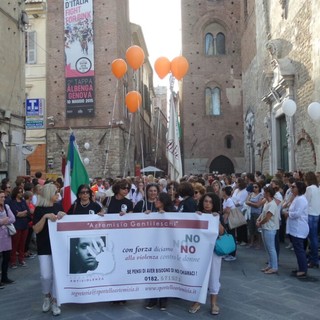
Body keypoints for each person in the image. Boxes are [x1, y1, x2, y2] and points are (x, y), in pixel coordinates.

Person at [32, 183, 66, 316]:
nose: (58, 194)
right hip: (44, 246)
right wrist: (45, 217)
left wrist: (63, 215)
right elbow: (36, 229)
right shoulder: (39, 209)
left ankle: (55, 301)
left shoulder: (58, 206)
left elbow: (64, 224)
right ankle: (46, 295)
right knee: (46, 275)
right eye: (55, 192)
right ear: (48, 194)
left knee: (57, 275)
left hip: (58, 246)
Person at [188, 193, 224, 315]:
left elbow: (222, 232)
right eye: (205, 201)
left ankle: (214, 303)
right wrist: (196, 218)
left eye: (210, 202)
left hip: (214, 251)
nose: (207, 204)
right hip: (199, 251)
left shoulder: (217, 216)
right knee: (199, 276)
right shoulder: (197, 215)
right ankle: (197, 301)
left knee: (214, 276)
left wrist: (216, 220)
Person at [144, 192, 175, 311]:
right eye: (156, 199)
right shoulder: (152, 212)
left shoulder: (172, 213)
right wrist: (146, 215)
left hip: (167, 249)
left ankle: (163, 299)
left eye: (158, 199)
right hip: (153, 248)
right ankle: (152, 299)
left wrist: (166, 216)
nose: (156, 201)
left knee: (164, 273)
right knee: (153, 273)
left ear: (164, 201)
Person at [284, 181, 309, 278]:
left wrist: (288, 214)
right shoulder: (296, 198)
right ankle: (301, 267)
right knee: (298, 250)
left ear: (299, 188)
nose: (291, 188)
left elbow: (297, 213)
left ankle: (303, 269)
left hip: (299, 228)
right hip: (294, 228)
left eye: (293, 187)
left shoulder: (301, 199)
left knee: (299, 250)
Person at [257, 185, 279, 274]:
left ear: (268, 193)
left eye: (264, 192)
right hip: (265, 228)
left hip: (270, 228)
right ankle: (270, 264)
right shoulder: (267, 202)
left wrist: (259, 223)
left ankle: (274, 267)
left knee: (271, 248)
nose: (263, 194)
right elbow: (263, 213)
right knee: (267, 248)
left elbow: (267, 217)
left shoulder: (272, 204)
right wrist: (258, 219)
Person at [9, 186, 30, 268]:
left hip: (24, 225)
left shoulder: (23, 201)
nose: (21, 193)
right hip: (17, 226)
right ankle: (13, 261)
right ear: (16, 193)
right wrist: (21, 213)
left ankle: (21, 260)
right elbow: (15, 214)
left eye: (22, 191)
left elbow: (28, 212)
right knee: (15, 244)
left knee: (22, 244)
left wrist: (21, 213)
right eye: (19, 192)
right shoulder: (12, 202)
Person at [304, 171, 320, 268]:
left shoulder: (309, 188)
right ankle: (313, 257)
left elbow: (306, 202)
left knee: (312, 238)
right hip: (317, 213)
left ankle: (313, 259)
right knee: (314, 237)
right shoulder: (318, 188)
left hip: (310, 214)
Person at [0, 190, 16, 286]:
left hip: (6, 236)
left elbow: (13, 218)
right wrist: (3, 221)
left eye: (3, 197)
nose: (3, 199)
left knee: (6, 257)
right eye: (1, 197)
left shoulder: (6, 206)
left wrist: (3, 221)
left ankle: (4, 277)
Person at [245, 182, 265, 248]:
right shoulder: (251, 194)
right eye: (253, 187)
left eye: (256, 187)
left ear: (259, 188)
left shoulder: (261, 195)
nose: (254, 188)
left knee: (258, 229)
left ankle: (259, 243)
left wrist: (250, 203)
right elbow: (246, 201)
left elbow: (258, 205)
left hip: (257, 213)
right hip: (250, 213)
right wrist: (253, 203)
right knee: (251, 229)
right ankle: (251, 242)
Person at [221, 186, 237, 261]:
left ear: (225, 192)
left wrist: (224, 221)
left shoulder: (229, 200)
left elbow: (227, 211)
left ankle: (232, 254)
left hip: (230, 221)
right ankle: (228, 253)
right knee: (228, 237)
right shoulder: (225, 200)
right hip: (227, 221)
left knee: (231, 237)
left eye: (222, 191)